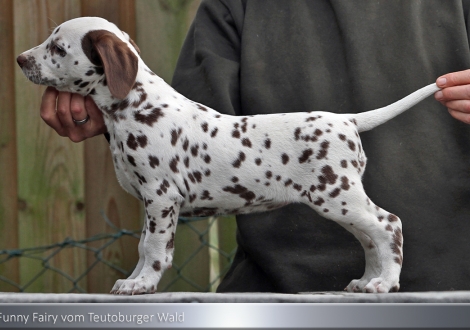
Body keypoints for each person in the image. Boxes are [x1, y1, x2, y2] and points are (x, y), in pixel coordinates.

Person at [41, 0, 470, 293]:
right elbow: (194, 124)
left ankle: (384, 242)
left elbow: (165, 188)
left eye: (54, 50)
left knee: (349, 208)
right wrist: (105, 109)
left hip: (452, 288)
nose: (33, 56)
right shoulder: (236, 5)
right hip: (271, 291)